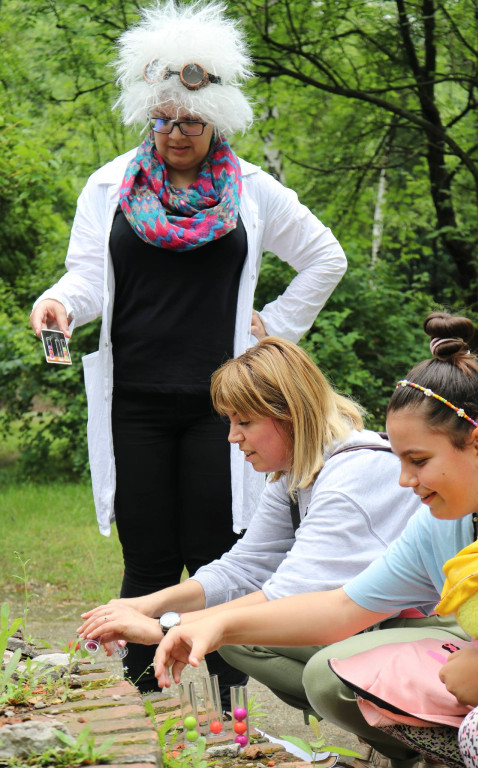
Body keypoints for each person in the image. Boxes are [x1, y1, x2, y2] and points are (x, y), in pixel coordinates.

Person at [29, 1, 346, 702]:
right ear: (150, 114)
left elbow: (326, 257)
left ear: (218, 119)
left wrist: (278, 327)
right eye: (163, 119)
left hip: (224, 409)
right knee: (146, 555)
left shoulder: (252, 193)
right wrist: (60, 302)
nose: (176, 133)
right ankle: (147, 706)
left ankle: (226, 706)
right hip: (134, 400)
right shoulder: (110, 186)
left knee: (218, 555)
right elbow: (87, 279)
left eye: (192, 121)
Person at [151, 312, 478, 768]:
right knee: (324, 671)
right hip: (472, 656)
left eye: (418, 460)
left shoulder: (351, 477)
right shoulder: (439, 521)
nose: (404, 480)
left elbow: (293, 592)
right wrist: (214, 626)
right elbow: (341, 608)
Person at [78, 336, 424, 723]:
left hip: (433, 627)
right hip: (376, 620)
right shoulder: (295, 476)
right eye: (229, 421)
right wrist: (145, 604)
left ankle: (405, 747)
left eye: (244, 422)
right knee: (236, 641)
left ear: (291, 413)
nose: (232, 437)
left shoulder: (350, 478)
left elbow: (291, 596)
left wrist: (162, 627)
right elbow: (243, 568)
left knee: (322, 675)